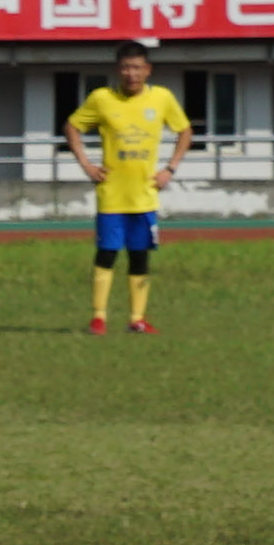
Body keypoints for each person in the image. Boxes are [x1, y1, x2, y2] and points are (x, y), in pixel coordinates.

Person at [65, 41, 192, 335]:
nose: (131, 73)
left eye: (136, 67)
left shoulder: (161, 98)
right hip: (112, 194)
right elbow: (72, 127)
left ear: (147, 70)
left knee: (139, 256)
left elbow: (185, 131)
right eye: (125, 68)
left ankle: (137, 319)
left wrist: (170, 168)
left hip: (144, 195)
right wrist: (86, 164)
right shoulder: (102, 98)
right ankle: (98, 318)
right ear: (117, 70)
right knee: (106, 254)